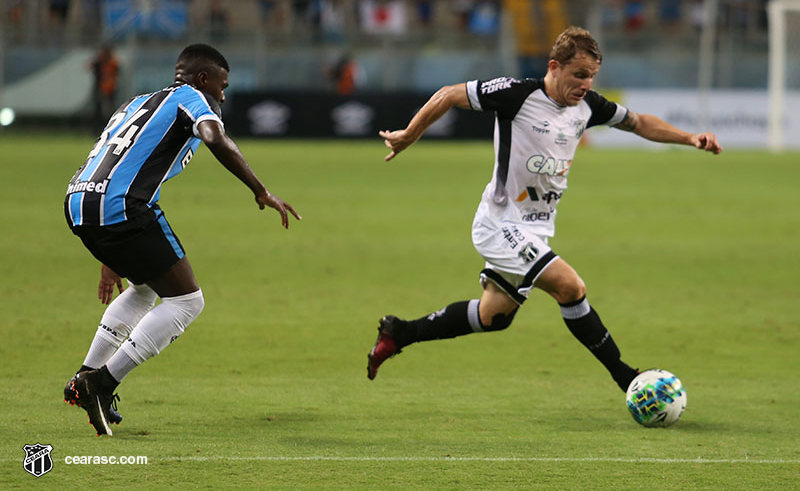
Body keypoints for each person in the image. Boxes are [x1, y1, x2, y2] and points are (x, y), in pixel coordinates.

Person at [367, 26, 722, 393]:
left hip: (534, 228)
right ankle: (627, 377)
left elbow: (638, 122)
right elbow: (449, 94)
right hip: (500, 222)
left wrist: (689, 138)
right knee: (570, 287)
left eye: (592, 76)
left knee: (494, 317)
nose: (586, 84)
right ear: (555, 66)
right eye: (579, 74)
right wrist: (409, 134)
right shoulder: (516, 95)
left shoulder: (587, 106)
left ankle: (400, 332)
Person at [63, 44, 301, 436]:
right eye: (222, 86)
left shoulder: (135, 103)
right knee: (187, 301)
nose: (223, 96)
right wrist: (260, 191)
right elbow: (213, 137)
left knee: (144, 289)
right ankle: (100, 383)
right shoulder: (191, 98)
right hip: (120, 206)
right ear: (204, 79)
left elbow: (111, 161)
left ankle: (85, 378)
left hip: (79, 201)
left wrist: (109, 257)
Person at [89, 44, 120, 137]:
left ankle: (109, 129)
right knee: (98, 111)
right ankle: (97, 130)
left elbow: (115, 73)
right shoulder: (100, 62)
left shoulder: (112, 62)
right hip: (100, 89)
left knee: (110, 112)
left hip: (109, 89)